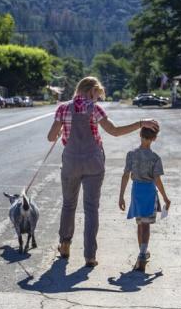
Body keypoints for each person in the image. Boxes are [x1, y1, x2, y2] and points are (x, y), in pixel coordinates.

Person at [46, 77, 158, 267]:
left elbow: (50, 137)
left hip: (71, 162)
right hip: (93, 162)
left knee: (68, 204)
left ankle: (65, 245)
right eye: (97, 94)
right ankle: (90, 256)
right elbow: (114, 131)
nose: (97, 99)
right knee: (91, 209)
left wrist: (59, 133)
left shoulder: (63, 108)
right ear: (91, 91)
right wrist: (141, 123)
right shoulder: (95, 110)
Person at [118, 124, 170, 271]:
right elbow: (157, 180)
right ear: (154, 138)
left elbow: (126, 175)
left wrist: (121, 196)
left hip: (136, 190)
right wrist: (165, 197)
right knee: (146, 224)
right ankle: (142, 254)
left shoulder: (131, 154)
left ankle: (142, 253)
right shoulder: (155, 158)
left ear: (140, 135)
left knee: (140, 223)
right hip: (149, 191)